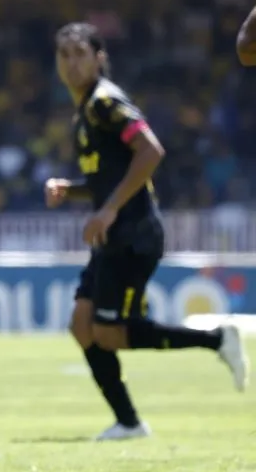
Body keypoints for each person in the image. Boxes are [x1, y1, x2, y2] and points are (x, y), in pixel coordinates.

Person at [45, 22, 249, 441]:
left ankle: (217, 340)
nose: (71, 63)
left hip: (133, 232)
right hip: (113, 234)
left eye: (80, 53)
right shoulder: (85, 111)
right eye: (64, 55)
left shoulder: (105, 101)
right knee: (82, 324)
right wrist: (73, 190)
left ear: (99, 58)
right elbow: (109, 177)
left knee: (109, 333)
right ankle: (129, 423)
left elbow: (151, 151)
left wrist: (108, 211)